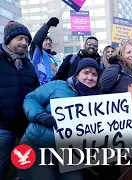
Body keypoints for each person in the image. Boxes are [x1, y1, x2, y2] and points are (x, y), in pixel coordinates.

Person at [18, 58, 101, 180]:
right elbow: (31, 98)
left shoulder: (99, 100)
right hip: (39, 147)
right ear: (77, 74)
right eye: (86, 72)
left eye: (94, 74)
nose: (90, 77)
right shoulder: (58, 86)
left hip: (70, 154)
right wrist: (40, 116)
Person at [0, 21, 39, 179]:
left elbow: (35, 91)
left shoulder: (28, 65)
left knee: (27, 167)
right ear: (9, 39)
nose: (25, 43)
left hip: (25, 127)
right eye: (20, 38)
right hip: (2, 127)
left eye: (27, 40)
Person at [30, 17, 59, 84]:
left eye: (50, 41)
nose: (49, 42)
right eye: (46, 40)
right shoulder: (37, 53)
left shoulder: (53, 58)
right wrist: (47, 25)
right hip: (40, 87)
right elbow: (36, 40)